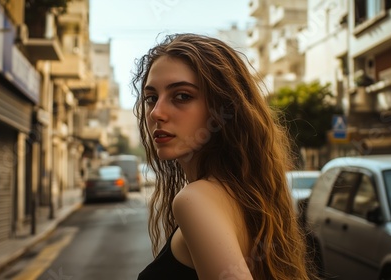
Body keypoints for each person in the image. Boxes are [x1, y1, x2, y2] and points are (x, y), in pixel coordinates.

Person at [133, 33, 316, 280]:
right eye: (151, 98)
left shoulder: (195, 200)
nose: (156, 113)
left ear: (222, 109)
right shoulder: (245, 193)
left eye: (182, 96)